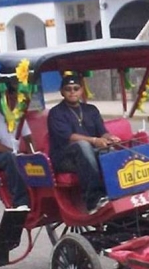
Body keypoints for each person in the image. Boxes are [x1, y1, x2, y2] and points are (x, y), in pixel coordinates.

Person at [48, 72, 121, 214]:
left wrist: (110, 138)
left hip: (90, 152)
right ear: (62, 92)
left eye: (76, 88)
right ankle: (93, 199)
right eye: (68, 89)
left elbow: (102, 132)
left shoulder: (91, 110)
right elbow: (69, 137)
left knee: (109, 151)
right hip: (65, 157)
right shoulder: (56, 113)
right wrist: (94, 140)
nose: (72, 92)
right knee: (83, 146)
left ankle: (117, 191)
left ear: (81, 90)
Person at [0, 91, 33, 212]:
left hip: (13, 155)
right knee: (9, 157)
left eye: (15, 99)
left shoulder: (18, 116)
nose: (14, 102)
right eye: (10, 99)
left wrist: (32, 154)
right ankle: (20, 201)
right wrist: (17, 154)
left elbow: (28, 139)